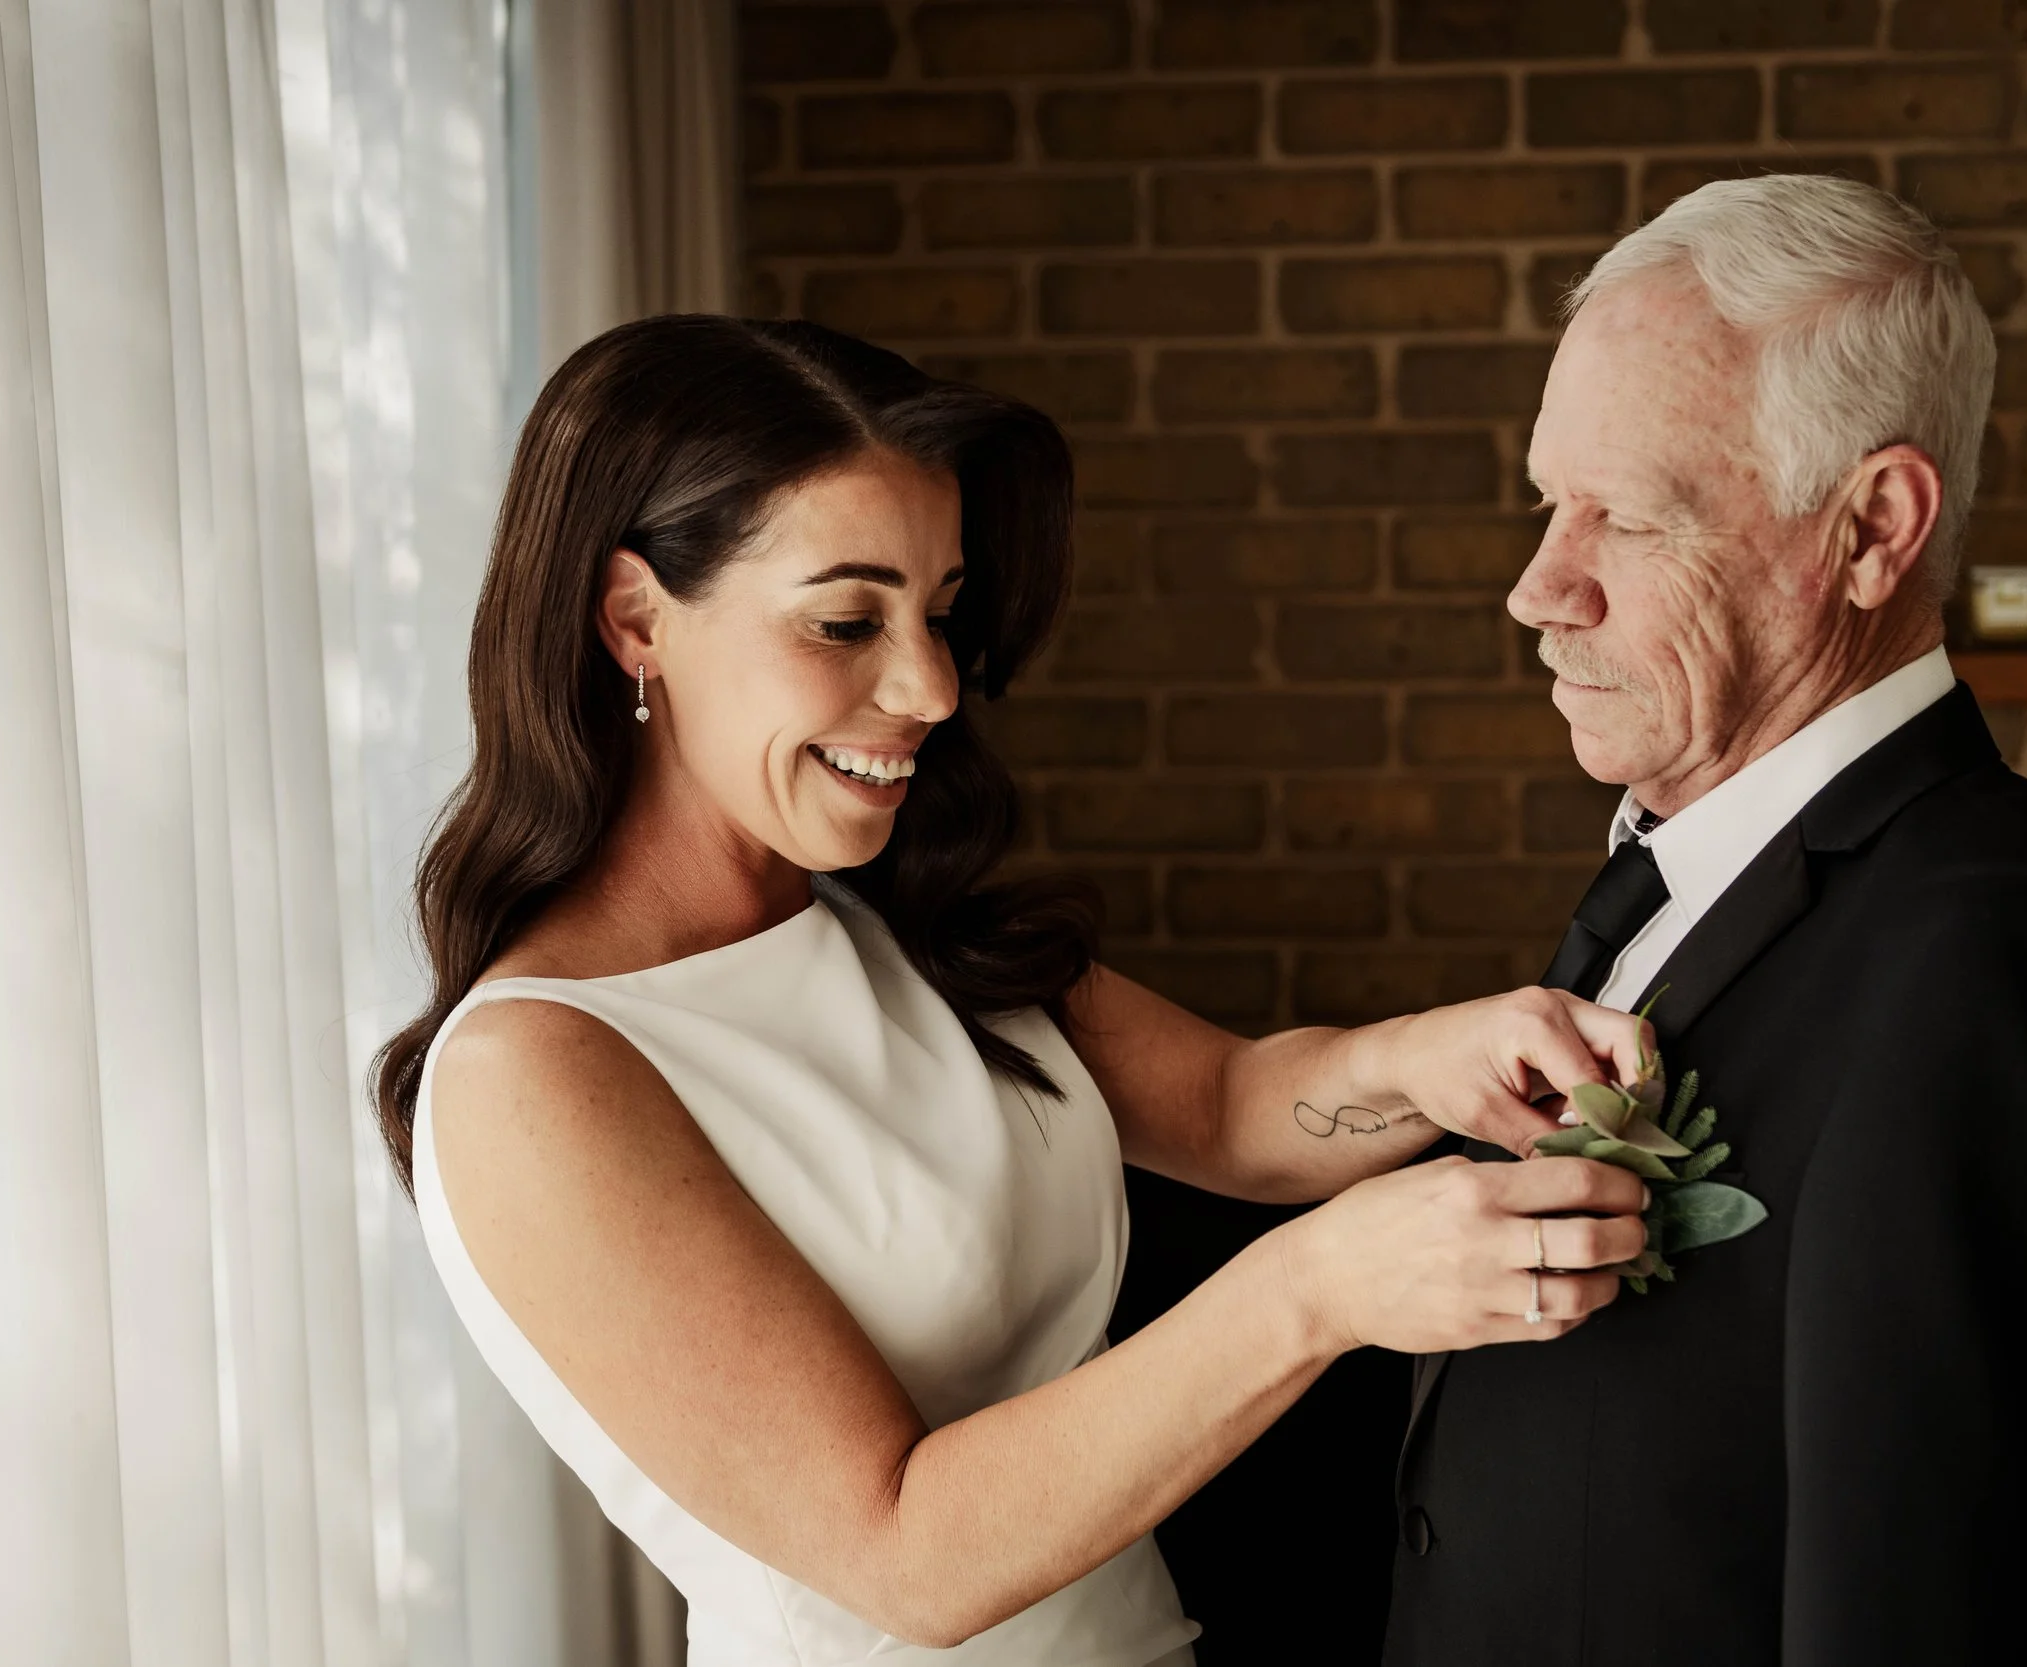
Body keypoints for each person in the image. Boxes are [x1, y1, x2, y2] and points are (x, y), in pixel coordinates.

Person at [373, 315, 1651, 1665]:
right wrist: (1322, 1288)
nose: (927, 685)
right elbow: (904, 1552)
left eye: (938, 610)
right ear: (637, 619)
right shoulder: (537, 1073)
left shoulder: (884, 918)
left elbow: (1226, 1105)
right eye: (846, 618)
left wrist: (1438, 1055)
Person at [1385, 175, 2027, 1665]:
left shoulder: (2001, 964)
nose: (1535, 588)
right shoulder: (1687, 865)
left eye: (1623, 516)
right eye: (1543, 503)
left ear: (1873, 528)